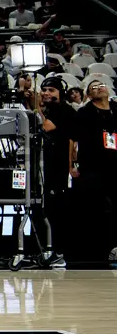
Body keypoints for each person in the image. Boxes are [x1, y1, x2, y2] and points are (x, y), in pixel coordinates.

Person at [70, 79, 117, 261]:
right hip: (92, 166)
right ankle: (96, 251)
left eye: (101, 85)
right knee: (95, 209)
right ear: (88, 95)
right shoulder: (84, 112)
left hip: (115, 165)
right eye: (93, 88)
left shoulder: (116, 109)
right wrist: (71, 164)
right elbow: (72, 140)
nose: (98, 88)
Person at [34, 76, 74, 263]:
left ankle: (59, 252)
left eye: (51, 90)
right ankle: (51, 250)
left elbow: (46, 127)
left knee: (57, 210)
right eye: (44, 90)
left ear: (60, 93)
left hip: (59, 168)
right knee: (49, 209)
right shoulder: (52, 109)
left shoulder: (63, 110)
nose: (46, 93)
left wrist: (35, 106)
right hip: (49, 166)